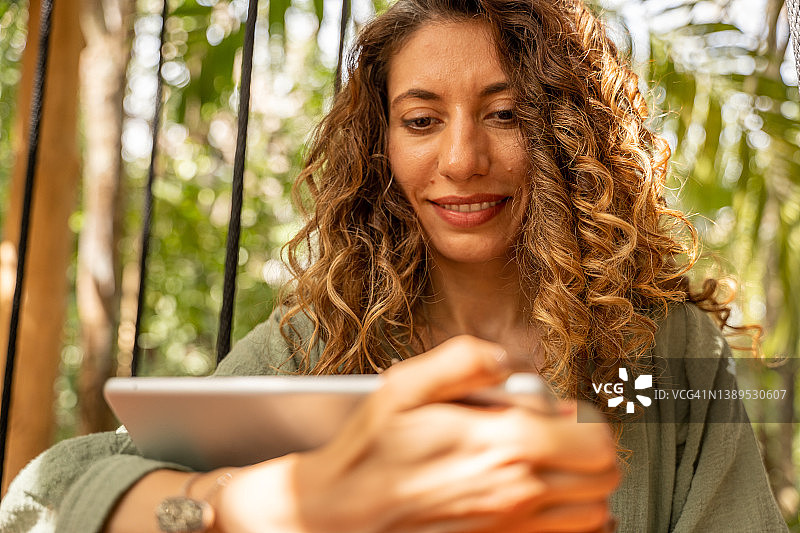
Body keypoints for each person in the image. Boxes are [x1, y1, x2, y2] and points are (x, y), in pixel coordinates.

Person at [0, 0, 788, 531]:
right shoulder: (314, 345)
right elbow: (39, 498)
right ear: (381, 146)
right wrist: (252, 505)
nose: (461, 158)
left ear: (567, 135)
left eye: (506, 113)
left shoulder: (669, 349)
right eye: (421, 119)